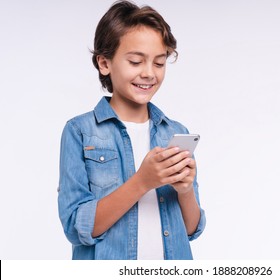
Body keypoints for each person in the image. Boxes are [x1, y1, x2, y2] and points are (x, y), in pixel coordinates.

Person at [58, 0, 205, 260]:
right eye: (136, 61)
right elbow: (75, 226)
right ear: (104, 63)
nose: (149, 73)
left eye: (159, 63)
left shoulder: (175, 132)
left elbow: (191, 229)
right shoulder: (79, 131)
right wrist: (142, 182)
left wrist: (185, 191)